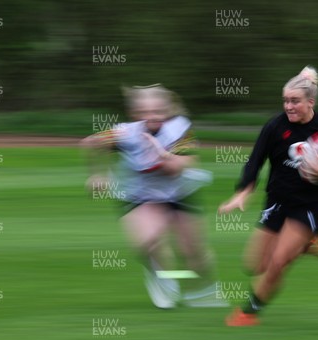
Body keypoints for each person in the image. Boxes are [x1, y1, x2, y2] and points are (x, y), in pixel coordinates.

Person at [219, 66, 318, 326]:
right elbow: (255, 161)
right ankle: (304, 244)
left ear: (310, 102)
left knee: (278, 263)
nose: (288, 106)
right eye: (285, 100)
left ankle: (249, 313)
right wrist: (242, 192)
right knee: (254, 265)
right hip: (277, 201)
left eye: (294, 101)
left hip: (309, 205)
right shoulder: (275, 126)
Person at [81, 84, 225, 309]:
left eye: (157, 111)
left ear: (167, 111)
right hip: (139, 195)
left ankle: (204, 289)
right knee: (148, 242)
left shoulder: (179, 129)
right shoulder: (126, 133)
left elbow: (184, 165)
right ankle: (161, 276)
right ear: (136, 114)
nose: (152, 116)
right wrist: (97, 174)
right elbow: (91, 142)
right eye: (145, 112)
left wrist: (164, 155)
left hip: (178, 193)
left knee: (191, 251)